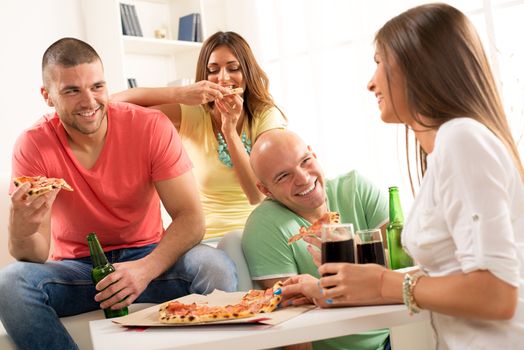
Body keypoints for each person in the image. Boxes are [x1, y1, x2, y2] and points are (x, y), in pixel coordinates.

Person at [280, 3, 524, 350]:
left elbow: (496, 294)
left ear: (419, 67)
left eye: (380, 63)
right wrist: (346, 287)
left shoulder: (462, 140)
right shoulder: (453, 146)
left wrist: (381, 284)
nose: (370, 82)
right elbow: (452, 279)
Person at [0, 37, 237, 350]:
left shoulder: (149, 126)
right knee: (10, 284)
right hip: (80, 272)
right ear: (47, 96)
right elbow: (34, 255)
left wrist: (145, 269)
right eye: (72, 90)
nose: (89, 101)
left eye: (97, 86)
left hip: (152, 258)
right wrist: (21, 224)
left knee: (215, 266)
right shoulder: (33, 145)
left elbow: (191, 218)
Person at [111, 31, 287, 241]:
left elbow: (256, 195)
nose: (223, 78)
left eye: (233, 68)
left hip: (258, 233)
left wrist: (229, 131)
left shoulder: (266, 115)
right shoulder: (191, 113)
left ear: (247, 71)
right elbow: (112, 106)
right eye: (213, 70)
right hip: (207, 239)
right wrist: (180, 93)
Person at [242, 129, 390, 350]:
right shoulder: (264, 226)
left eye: (305, 161)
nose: (303, 178)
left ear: (314, 154)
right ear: (266, 190)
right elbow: (292, 327)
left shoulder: (357, 188)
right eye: (283, 176)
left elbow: (406, 266)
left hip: (401, 334)